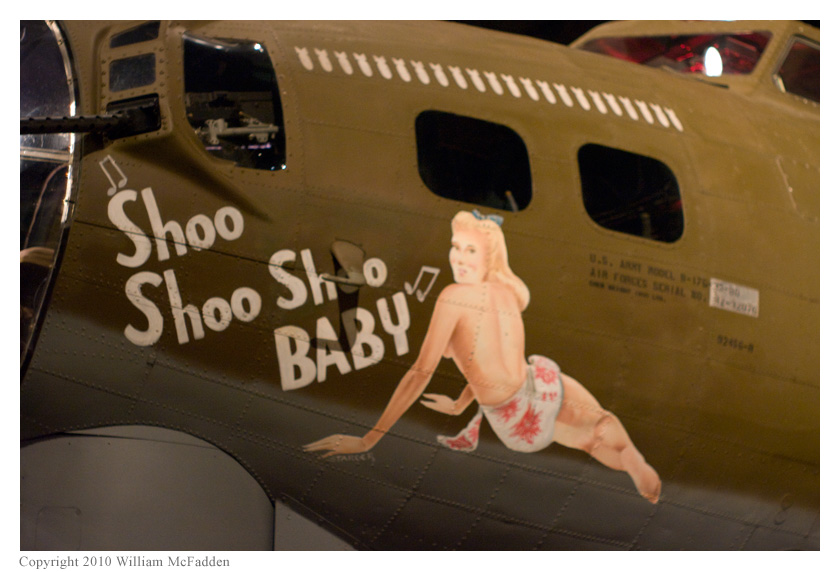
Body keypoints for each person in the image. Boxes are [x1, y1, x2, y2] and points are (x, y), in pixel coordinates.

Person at [304, 210, 661, 503]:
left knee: (588, 440)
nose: (458, 257)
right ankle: (637, 465)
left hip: (514, 415)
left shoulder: (454, 297)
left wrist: (369, 439)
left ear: (486, 257)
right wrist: (460, 404)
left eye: (470, 250)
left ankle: (636, 468)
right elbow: (485, 363)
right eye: (455, 247)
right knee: (600, 428)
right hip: (539, 382)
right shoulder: (507, 292)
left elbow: (421, 373)